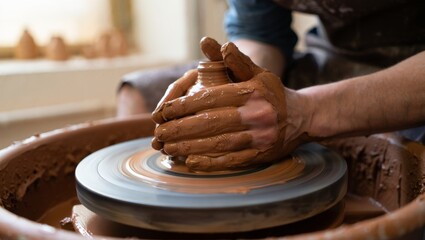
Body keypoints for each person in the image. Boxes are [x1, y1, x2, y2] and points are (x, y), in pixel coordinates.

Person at [118, 0, 425, 171]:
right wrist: (236, 83)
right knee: (141, 98)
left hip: (411, 71)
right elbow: (260, 31)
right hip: (328, 59)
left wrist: (308, 113)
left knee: (408, 167)